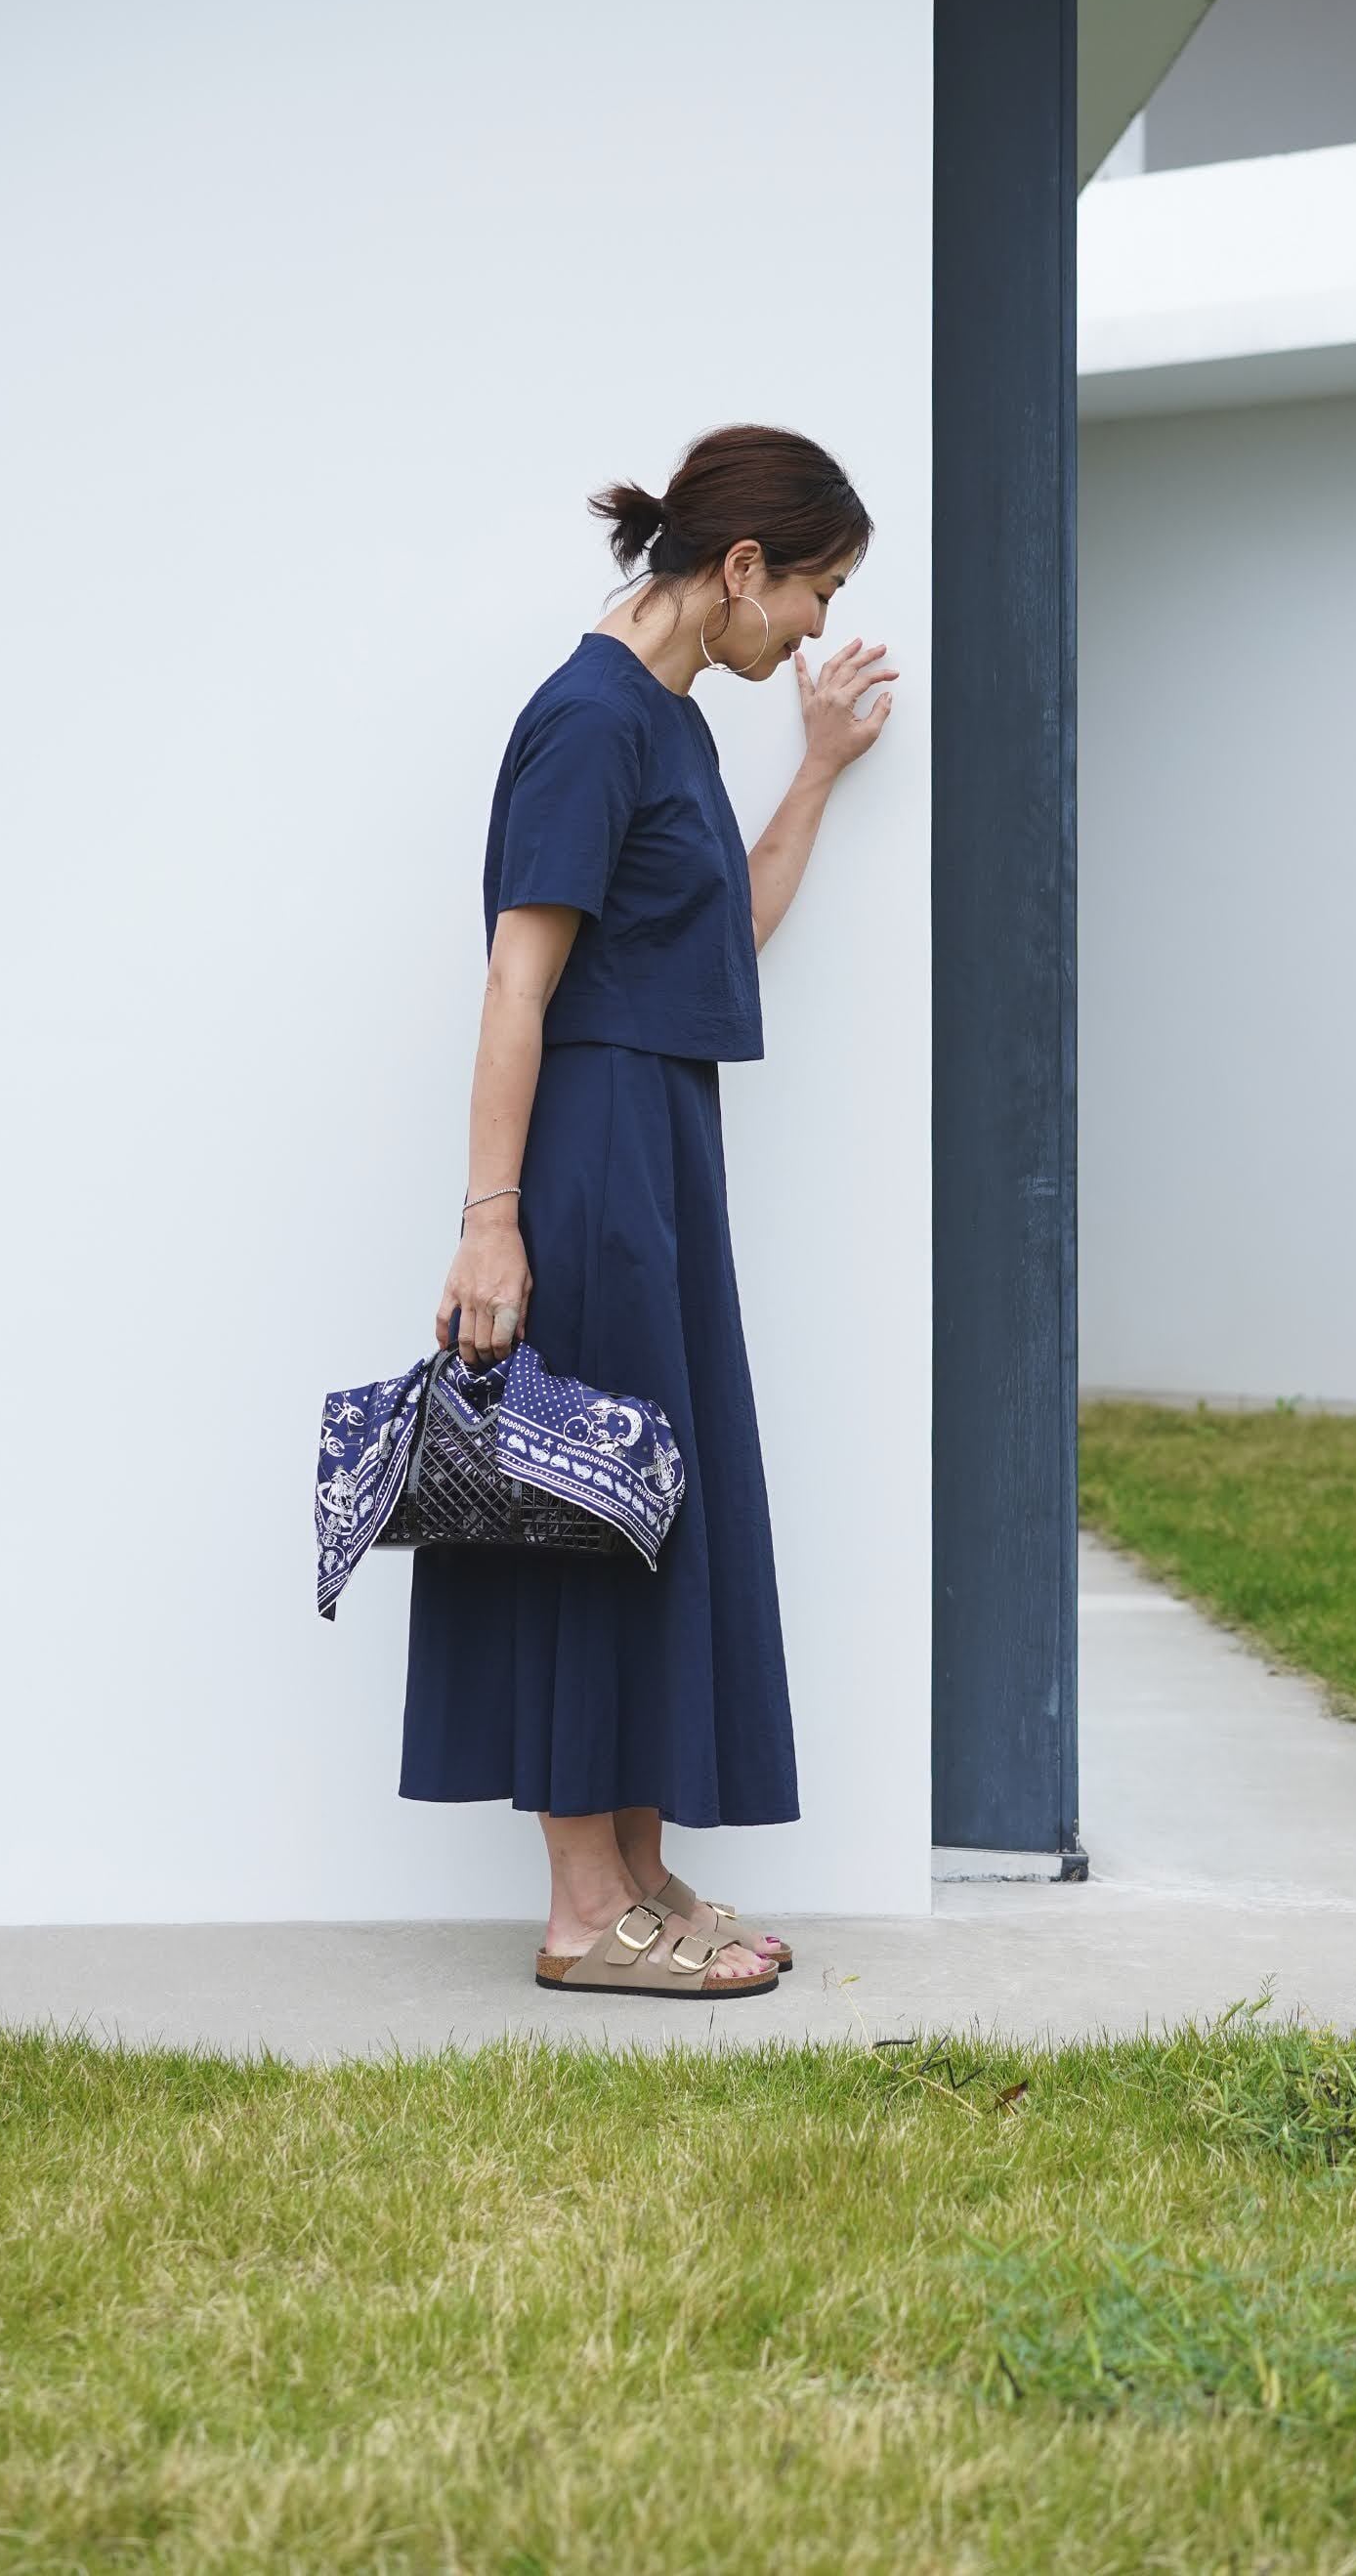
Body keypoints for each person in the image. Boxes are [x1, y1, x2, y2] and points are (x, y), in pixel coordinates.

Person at [403, 424, 895, 1998]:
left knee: (643, 1500)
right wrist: (493, 1219)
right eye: (815, 590)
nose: (813, 624)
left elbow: (722, 937)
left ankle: (638, 1872)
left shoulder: (670, 717)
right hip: (595, 1155)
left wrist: (813, 770)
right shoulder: (592, 719)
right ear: (741, 567)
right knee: (584, 1505)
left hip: (659, 1148)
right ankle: (579, 1913)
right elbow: (516, 980)